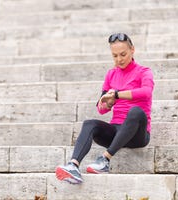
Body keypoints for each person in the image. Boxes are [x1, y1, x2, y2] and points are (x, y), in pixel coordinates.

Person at [55, 33, 154, 184]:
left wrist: (118, 95)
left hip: (137, 135)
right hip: (116, 132)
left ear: (132, 50)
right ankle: (73, 166)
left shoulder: (144, 71)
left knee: (135, 111)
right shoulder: (111, 74)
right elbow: (101, 108)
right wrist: (107, 103)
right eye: (114, 56)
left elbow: (146, 92)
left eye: (123, 54)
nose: (119, 59)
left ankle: (104, 160)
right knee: (90, 124)